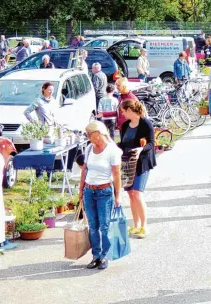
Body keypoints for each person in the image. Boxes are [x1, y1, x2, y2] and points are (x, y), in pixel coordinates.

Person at [79, 120, 122, 270]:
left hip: (104, 191)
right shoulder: (90, 148)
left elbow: (116, 175)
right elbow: (84, 169)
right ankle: (96, 255)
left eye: (88, 134)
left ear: (97, 134)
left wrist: (118, 195)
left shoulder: (112, 150)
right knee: (93, 225)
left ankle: (105, 255)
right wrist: (81, 189)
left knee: (104, 226)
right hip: (89, 191)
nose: (88, 137)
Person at [119, 99, 158, 238]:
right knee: (130, 193)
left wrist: (141, 149)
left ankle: (144, 225)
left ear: (130, 110)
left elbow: (152, 143)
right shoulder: (125, 125)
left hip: (142, 162)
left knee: (137, 193)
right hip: (128, 163)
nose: (122, 114)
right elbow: (122, 144)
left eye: (123, 111)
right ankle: (136, 225)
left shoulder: (145, 123)